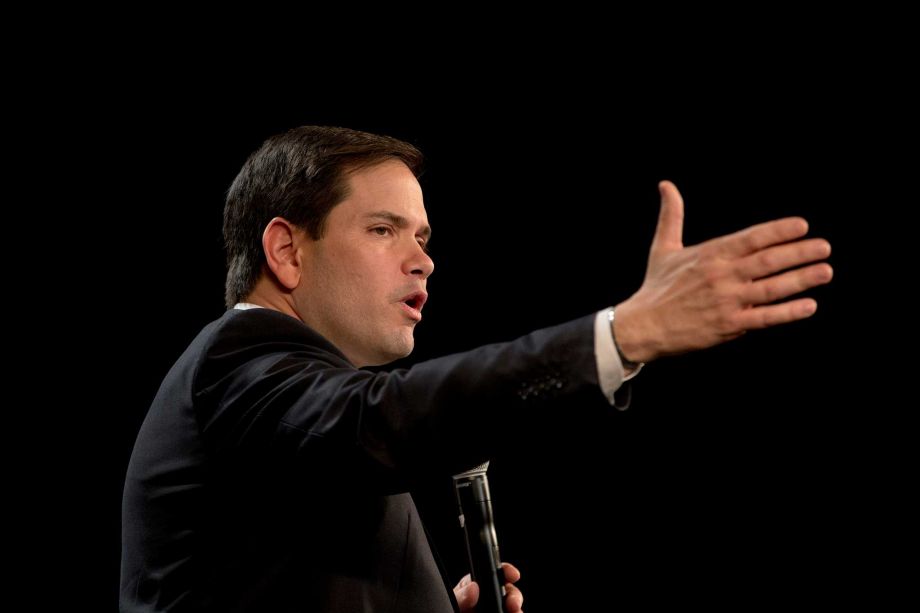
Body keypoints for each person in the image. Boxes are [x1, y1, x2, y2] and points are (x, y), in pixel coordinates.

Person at [120, 125, 833, 612]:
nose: (423, 258)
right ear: (287, 251)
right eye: (382, 229)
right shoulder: (237, 359)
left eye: (423, 236)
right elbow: (383, 419)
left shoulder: (293, 408)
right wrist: (623, 333)